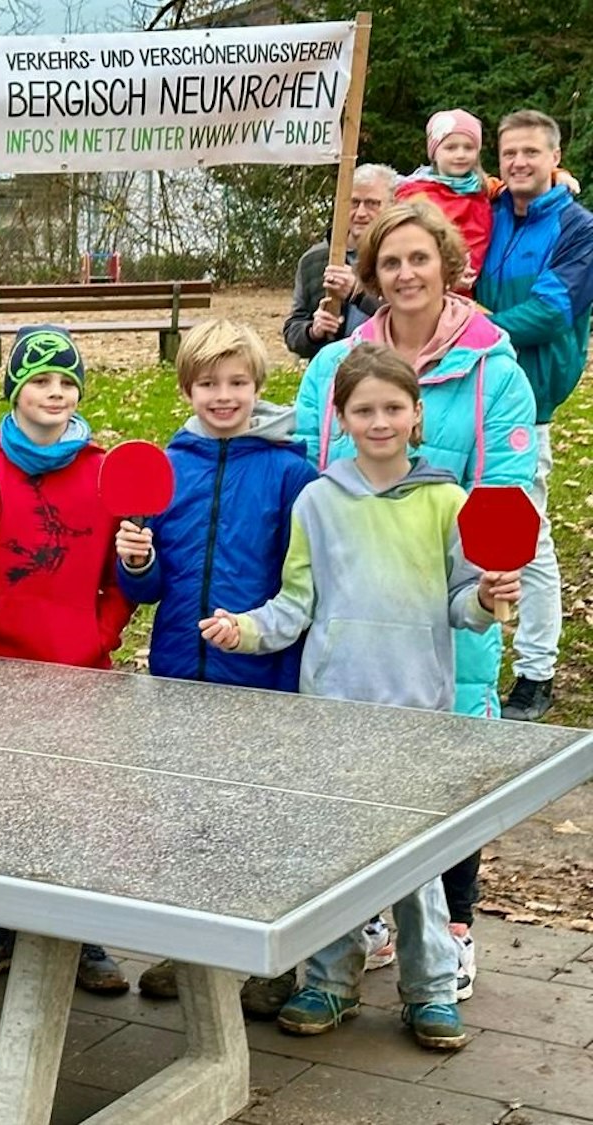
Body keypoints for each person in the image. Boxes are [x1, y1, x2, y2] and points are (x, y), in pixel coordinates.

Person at [205, 343, 521, 1052]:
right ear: (342, 418)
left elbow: (463, 606)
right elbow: (294, 605)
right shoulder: (318, 501)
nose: (379, 420)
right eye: (363, 409)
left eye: (393, 407)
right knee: (332, 857)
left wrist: (487, 594)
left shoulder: (448, 499)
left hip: (416, 715)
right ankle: (329, 980)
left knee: (414, 867)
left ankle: (432, 989)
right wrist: (244, 629)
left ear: (415, 416)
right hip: (333, 714)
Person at [297, 200, 538, 1001]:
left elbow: (505, 492)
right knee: (350, 779)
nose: (404, 274)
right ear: (373, 277)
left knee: (442, 782)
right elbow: (309, 465)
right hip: (353, 614)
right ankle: (360, 924)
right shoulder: (335, 367)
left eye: (418, 258)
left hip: (446, 603)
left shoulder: (495, 369)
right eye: (389, 262)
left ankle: (453, 928)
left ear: (446, 265)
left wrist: (474, 571)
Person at [111, 319, 322, 1016]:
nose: (223, 395)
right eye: (208, 383)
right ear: (188, 388)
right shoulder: (169, 466)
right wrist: (136, 561)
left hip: (261, 672)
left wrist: (264, 640)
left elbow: (303, 581)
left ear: (259, 388)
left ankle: (271, 959)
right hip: (179, 667)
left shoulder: (292, 471)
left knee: (257, 818)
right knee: (186, 817)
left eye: (236, 382)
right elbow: (146, 588)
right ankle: (192, 949)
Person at [0, 326, 132, 995]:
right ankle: (4, 928)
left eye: (67, 383)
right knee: (9, 807)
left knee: (77, 809)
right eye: (40, 381)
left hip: (80, 676)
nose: (55, 393)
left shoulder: (102, 473)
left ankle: (84, 936)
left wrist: (100, 634)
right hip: (1, 676)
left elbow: (125, 581)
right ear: (14, 390)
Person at [476, 108, 593, 723]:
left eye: (531, 153)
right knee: (465, 528)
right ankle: (472, 655)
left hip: (533, 397)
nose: (519, 162)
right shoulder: (493, 211)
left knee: (527, 535)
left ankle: (537, 671)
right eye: (510, 153)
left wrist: (472, 332)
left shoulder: (578, 227)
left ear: (555, 158)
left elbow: (551, 311)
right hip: (473, 389)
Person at [285, 164, 396, 360]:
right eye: (354, 202)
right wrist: (313, 331)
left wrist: (358, 294)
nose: (361, 213)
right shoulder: (315, 259)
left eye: (372, 203)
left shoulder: (403, 258)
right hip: (331, 377)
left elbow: (409, 320)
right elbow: (293, 330)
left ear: (392, 206)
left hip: (388, 372)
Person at [395, 109, 493, 289]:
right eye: (450, 147)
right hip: (424, 288)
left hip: (467, 292)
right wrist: (446, 276)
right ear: (434, 152)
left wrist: (556, 173)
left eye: (468, 147)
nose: (460, 154)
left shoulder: (482, 191)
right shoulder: (415, 194)